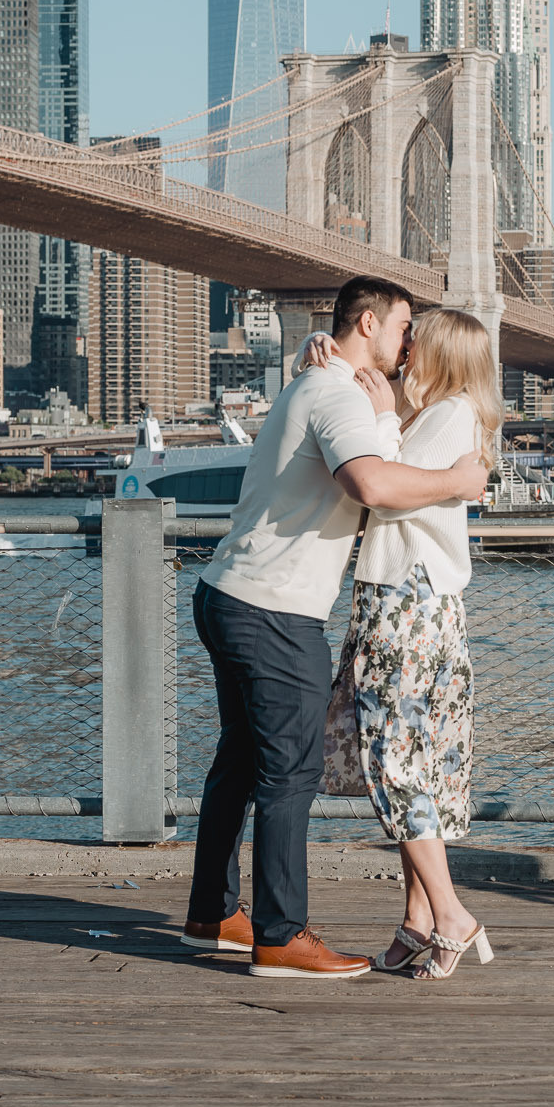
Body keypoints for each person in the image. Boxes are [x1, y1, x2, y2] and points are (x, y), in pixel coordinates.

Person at [181, 277, 490, 979]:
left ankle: (213, 909)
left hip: (227, 593)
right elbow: (375, 485)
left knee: (240, 755)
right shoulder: (339, 392)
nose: (410, 342)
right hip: (273, 607)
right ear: (371, 322)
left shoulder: (321, 380)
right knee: (289, 770)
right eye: (404, 327)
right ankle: (281, 934)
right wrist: (458, 482)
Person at [307, 309, 503, 981]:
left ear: (443, 354)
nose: (406, 349)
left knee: (393, 757)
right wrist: (325, 351)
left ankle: (449, 913)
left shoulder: (447, 414)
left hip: (405, 599)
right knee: (421, 758)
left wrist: (386, 417)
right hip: (429, 604)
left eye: (417, 341)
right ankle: (418, 921)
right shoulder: (450, 413)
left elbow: (386, 493)